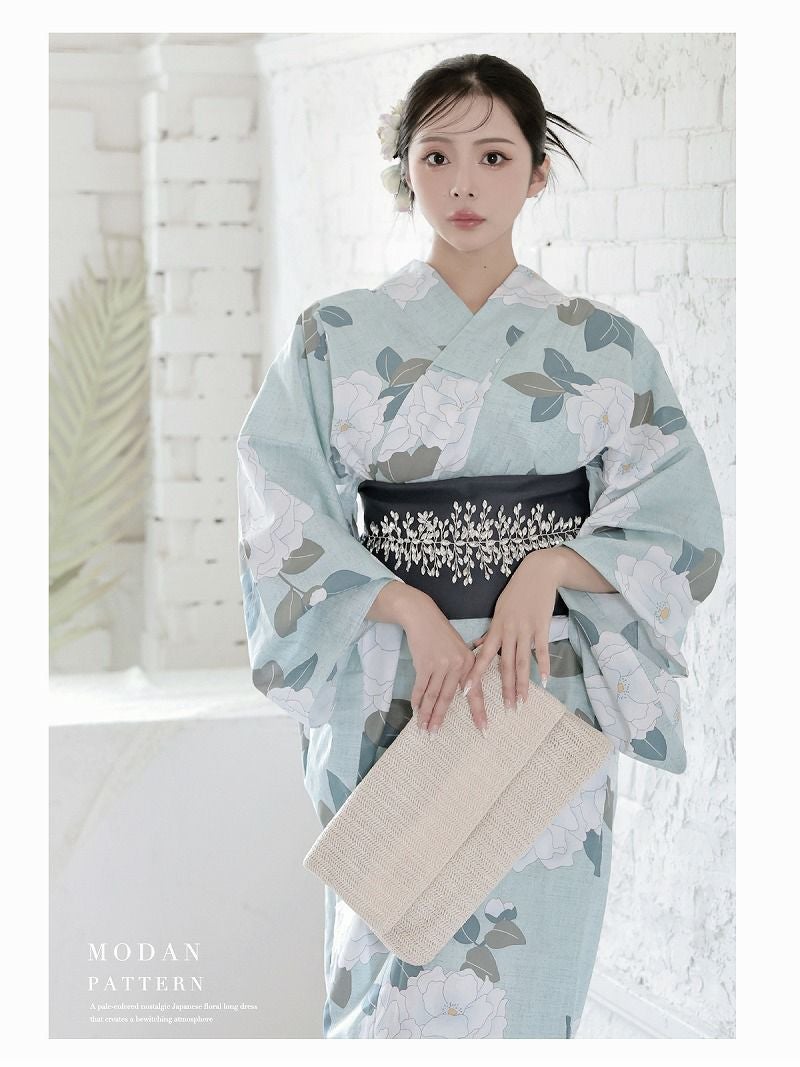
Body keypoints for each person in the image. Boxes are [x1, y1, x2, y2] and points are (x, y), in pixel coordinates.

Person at [236, 53, 724, 1040]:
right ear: (405, 169)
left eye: (494, 156)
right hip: (388, 675)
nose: (463, 183)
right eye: (437, 156)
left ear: (536, 173)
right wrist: (406, 606)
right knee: (384, 961)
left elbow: (677, 516)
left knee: (533, 971)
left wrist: (550, 567)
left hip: (540, 677)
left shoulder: (603, 346)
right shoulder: (334, 334)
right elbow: (278, 505)